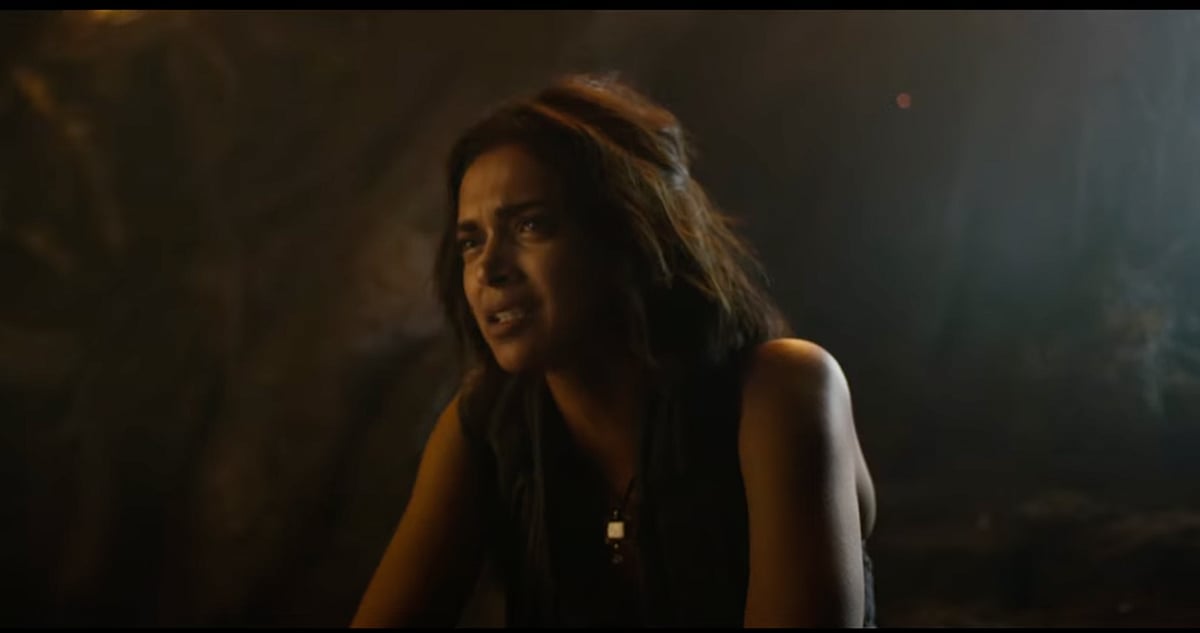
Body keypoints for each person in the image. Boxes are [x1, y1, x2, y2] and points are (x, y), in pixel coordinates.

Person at [351, 73, 877, 628]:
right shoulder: (487, 428)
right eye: (470, 241)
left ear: (627, 234)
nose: (489, 269)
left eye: (530, 225)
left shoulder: (781, 391)